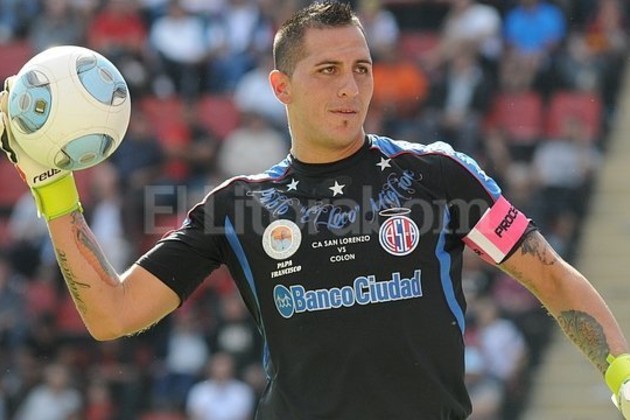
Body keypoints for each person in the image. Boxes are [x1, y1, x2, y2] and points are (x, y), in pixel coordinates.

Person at [1, 1, 630, 418]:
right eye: (327, 70)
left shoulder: (438, 176)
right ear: (281, 87)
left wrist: (622, 375)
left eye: (361, 68)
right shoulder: (238, 207)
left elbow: (549, 275)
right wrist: (52, 186)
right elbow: (113, 314)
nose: (350, 88)